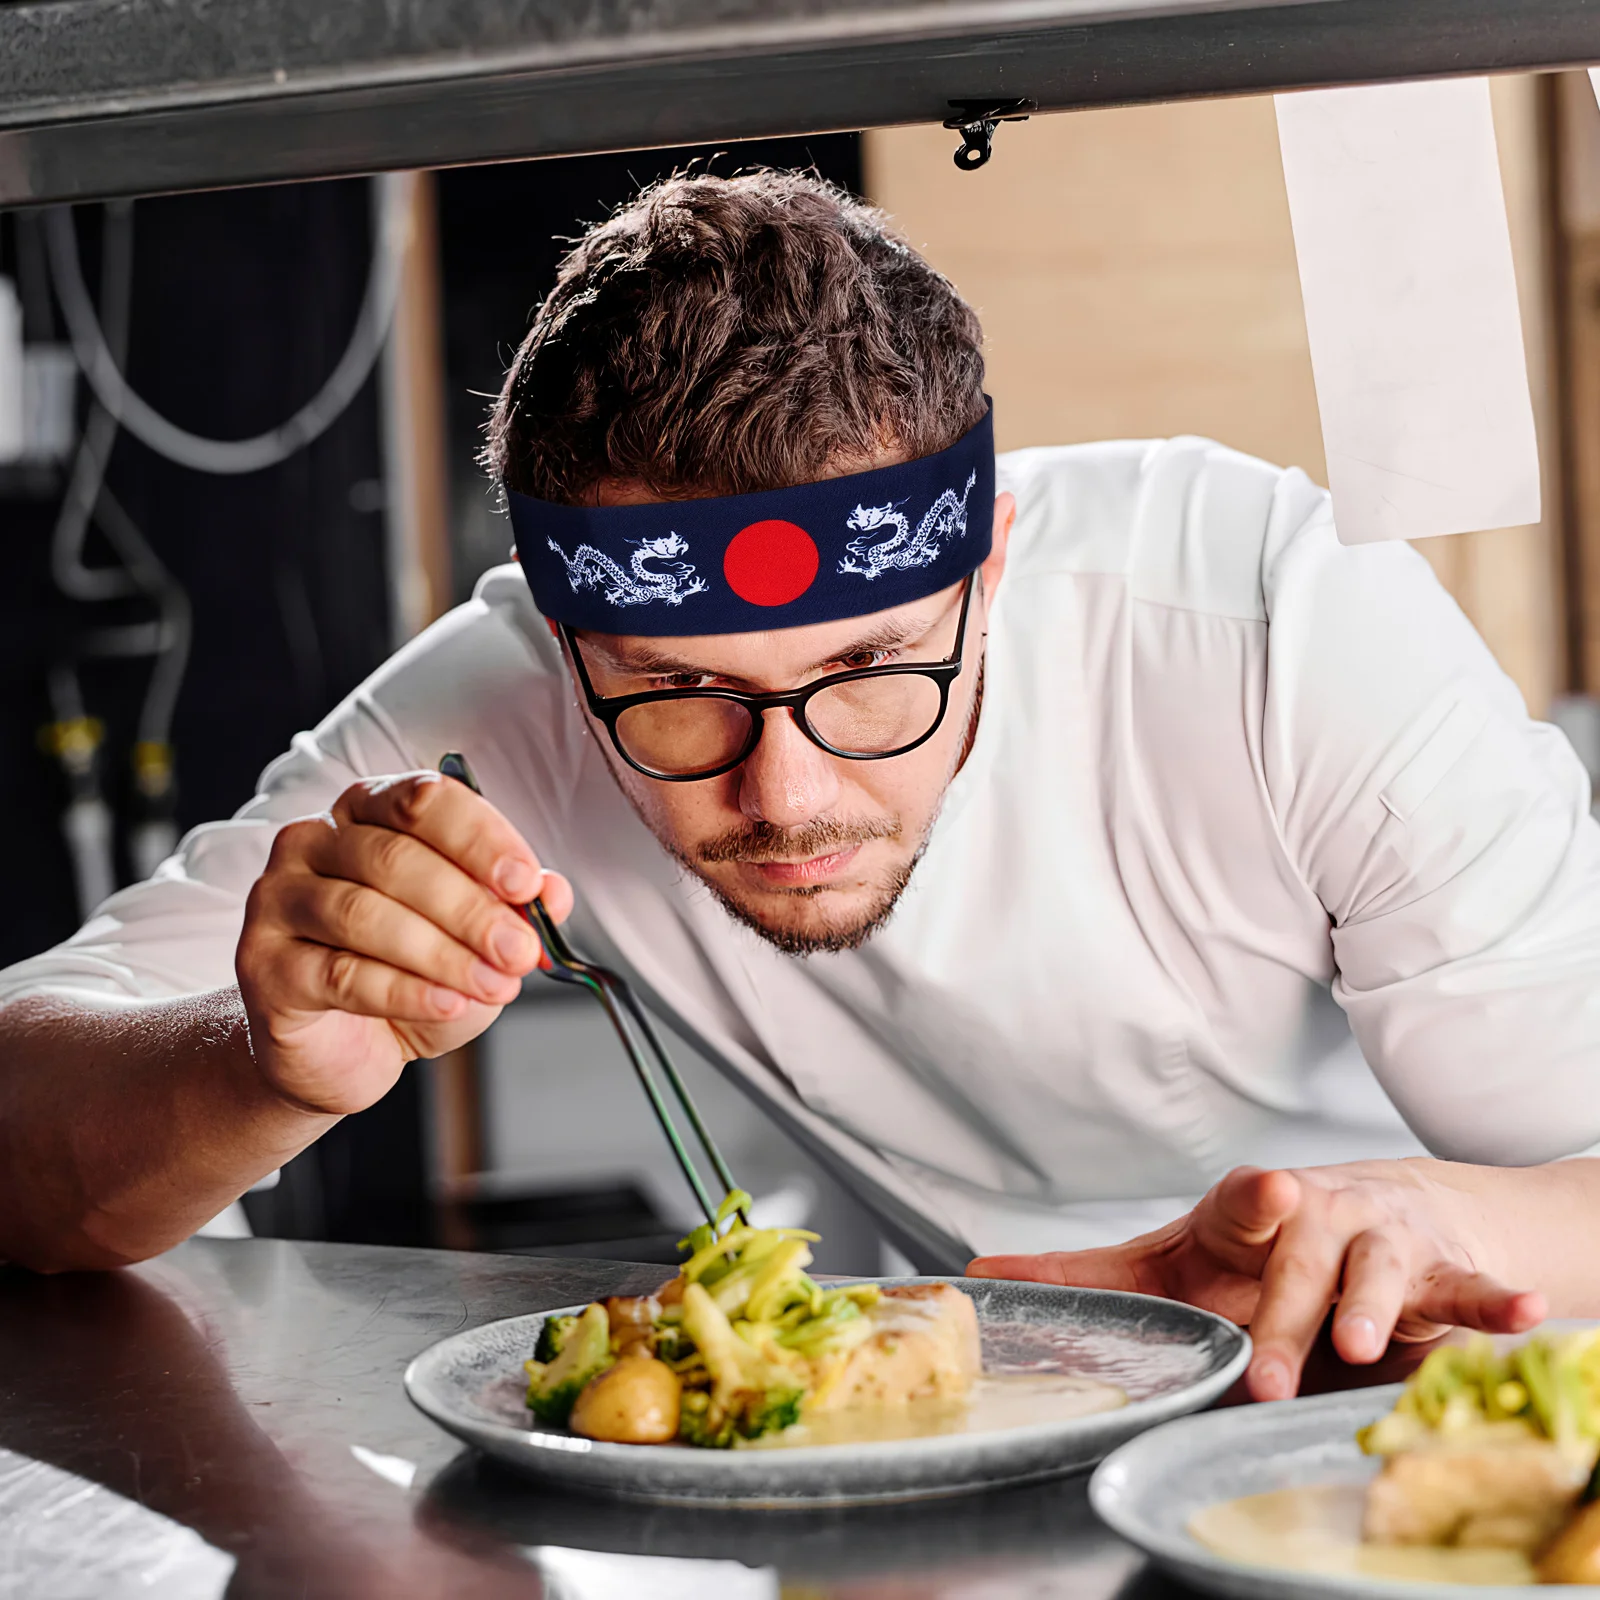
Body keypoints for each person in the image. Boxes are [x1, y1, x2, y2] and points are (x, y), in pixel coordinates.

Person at [3, 170, 1599, 1402]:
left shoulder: (1273, 622)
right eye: (677, 695)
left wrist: (1427, 1219)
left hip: (1406, 1398)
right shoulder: (489, 713)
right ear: (563, 642)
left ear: (993, 562)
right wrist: (258, 1065)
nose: (786, 791)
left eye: (872, 671)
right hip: (942, 1415)